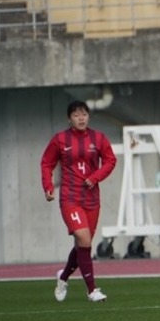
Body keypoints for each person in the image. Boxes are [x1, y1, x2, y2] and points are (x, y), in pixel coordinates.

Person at [40, 100, 117, 302]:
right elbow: (47, 163)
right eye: (76, 115)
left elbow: (110, 160)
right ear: (69, 118)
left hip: (92, 200)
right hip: (70, 198)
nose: (81, 118)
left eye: (84, 114)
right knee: (83, 239)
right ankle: (92, 290)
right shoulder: (60, 140)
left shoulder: (98, 138)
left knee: (84, 244)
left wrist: (96, 176)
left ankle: (63, 276)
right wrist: (47, 186)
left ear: (88, 117)